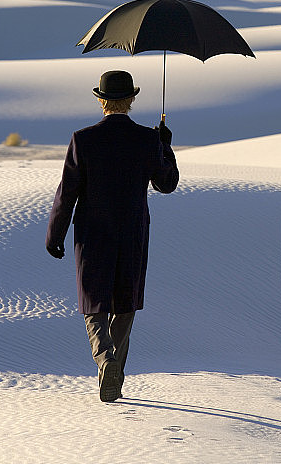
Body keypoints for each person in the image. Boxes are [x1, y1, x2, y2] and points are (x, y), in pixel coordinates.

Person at [45, 70, 179, 402]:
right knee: (125, 301)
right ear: (131, 99)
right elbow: (167, 184)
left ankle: (105, 360)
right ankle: (115, 369)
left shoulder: (83, 139)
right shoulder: (148, 139)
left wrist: (55, 234)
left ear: (101, 100)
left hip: (92, 233)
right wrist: (165, 146)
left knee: (94, 301)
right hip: (133, 231)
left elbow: (67, 193)